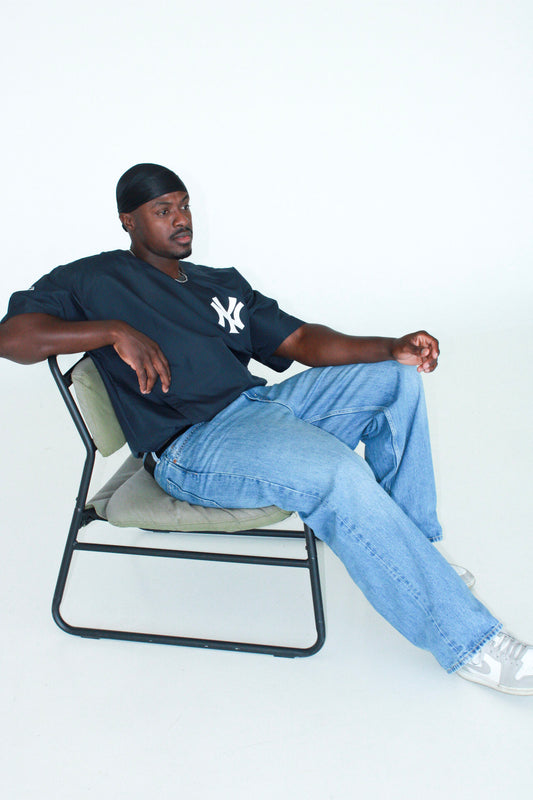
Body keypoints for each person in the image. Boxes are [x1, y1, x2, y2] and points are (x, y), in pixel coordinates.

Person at [1, 163, 531, 695]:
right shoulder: (96, 279)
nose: (181, 219)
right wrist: (113, 330)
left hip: (260, 408)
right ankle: (470, 644)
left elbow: (300, 341)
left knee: (394, 377)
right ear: (128, 221)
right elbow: (13, 338)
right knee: (335, 471)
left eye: (184, 205)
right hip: (194, 445)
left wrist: (390, 346)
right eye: (163, 210)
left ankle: (416, 552)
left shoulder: (217, 283)